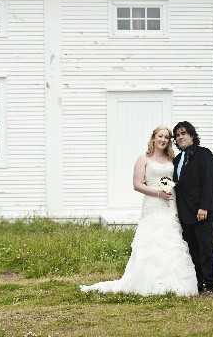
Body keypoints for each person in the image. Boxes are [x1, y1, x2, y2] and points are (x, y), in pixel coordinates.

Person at [80, 126, 198, 296]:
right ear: (153, 137)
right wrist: (158, 193)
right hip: (153, 204)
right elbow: (137, 185)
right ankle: (148, 281)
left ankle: (175, 282)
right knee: (153, 240)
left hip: (170, 205)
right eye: (160, 136)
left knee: (172, 238)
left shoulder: (172, 158)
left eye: (166, 137)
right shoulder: (143, 159)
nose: (163, 140)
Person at [172, 121, 213, 296]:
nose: (180, 137)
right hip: (186, 213)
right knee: (193, 250)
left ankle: (211, 285)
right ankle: (199, 284)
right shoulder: (177, 160)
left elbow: (210, 182)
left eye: (183, 133)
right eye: (177, 135)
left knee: (206, 247)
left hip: (204, 211)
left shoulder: (204, 154)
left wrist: (204, 207)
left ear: (192, 135)